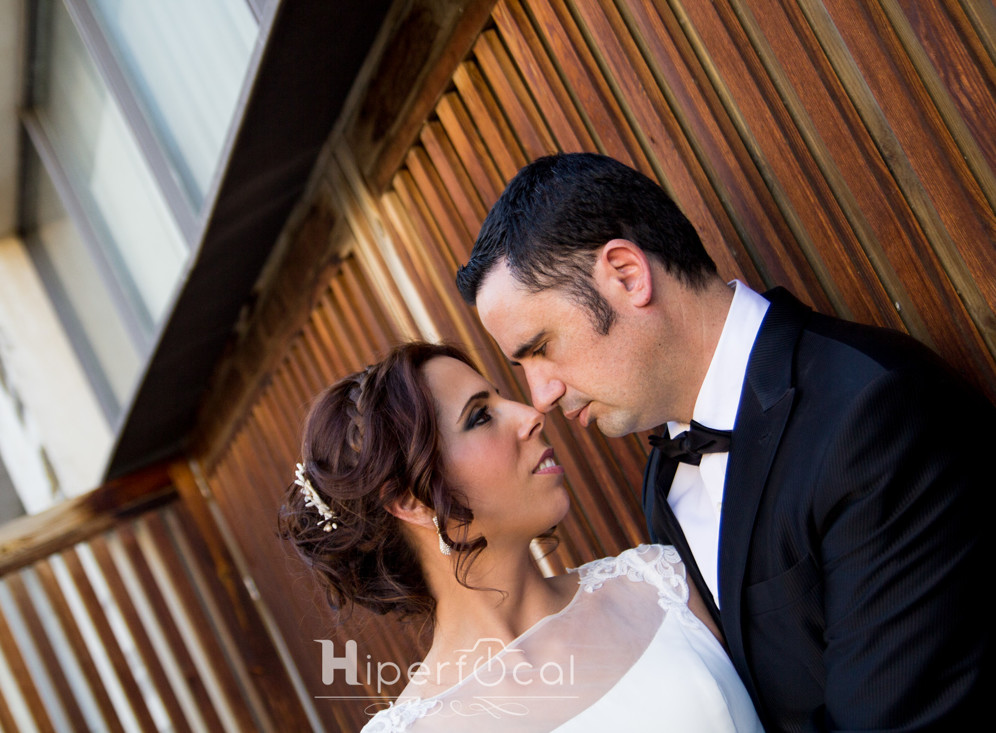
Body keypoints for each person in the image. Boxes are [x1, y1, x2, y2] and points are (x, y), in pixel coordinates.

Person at [455, 152, 994, 731]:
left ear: (627, 275)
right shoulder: (664, 478)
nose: (541, 395)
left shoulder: (871, 413)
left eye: (540, 347)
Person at [280, 341, 763, 731]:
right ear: (410, 501)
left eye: (499, 397)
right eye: (480, 417)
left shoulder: (661, 585)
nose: (531, 413)